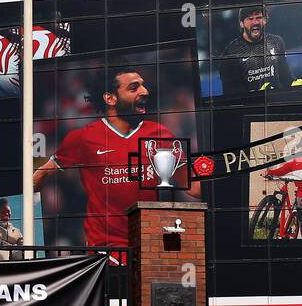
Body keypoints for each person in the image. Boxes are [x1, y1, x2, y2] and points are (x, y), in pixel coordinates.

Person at [34, 67, 197, 248]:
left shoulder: (160, 134)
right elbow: (42, 174)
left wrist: (213, 169)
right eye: (134, 88)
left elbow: (193, 187)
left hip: (148, 245)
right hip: (105, 249)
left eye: (143, 86)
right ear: (110, 98)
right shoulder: (83, 137)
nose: (145, 91)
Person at [219, 5, 302, 95]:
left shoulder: (277, 42)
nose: (255, 22)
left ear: (265, 20)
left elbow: (285, 77)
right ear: (241, 24)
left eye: (259, 17)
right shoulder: (231, 52)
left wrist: (296, 86)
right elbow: (230, 93)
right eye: (250, 19)